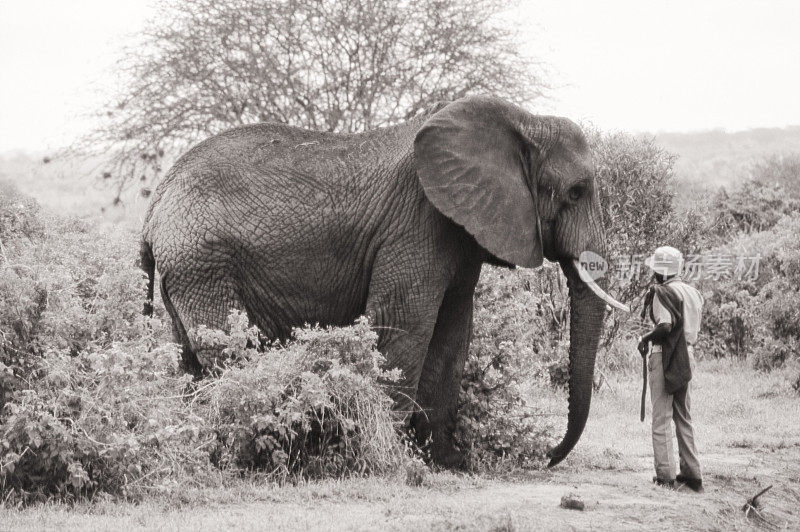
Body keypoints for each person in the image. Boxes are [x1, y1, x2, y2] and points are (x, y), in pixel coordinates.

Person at [637, 246, 704, 493]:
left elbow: (665, 326)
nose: (653, 272)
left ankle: (665, 476)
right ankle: (692, 476)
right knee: (683, 416)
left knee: (661, 417)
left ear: (662, 271)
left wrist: (645, 338)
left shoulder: (661, 293)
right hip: (688, 356)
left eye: (655, 268)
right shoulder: (694, 293)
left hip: (664, 355)